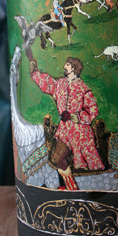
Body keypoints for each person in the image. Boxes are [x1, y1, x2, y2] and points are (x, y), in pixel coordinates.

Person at [30, 56, 103, 189]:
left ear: (75, 68)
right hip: (65, 131)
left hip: (81, 133)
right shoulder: (60, 84)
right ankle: (71, 186)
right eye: (66, 64)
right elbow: (48, 83)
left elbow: (93, 109)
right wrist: (34, 73)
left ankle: (91, 190)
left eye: (68, 64)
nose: (65, 67)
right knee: (56, 157)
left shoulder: (83, 88)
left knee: (88, 164)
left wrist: (79, 117)